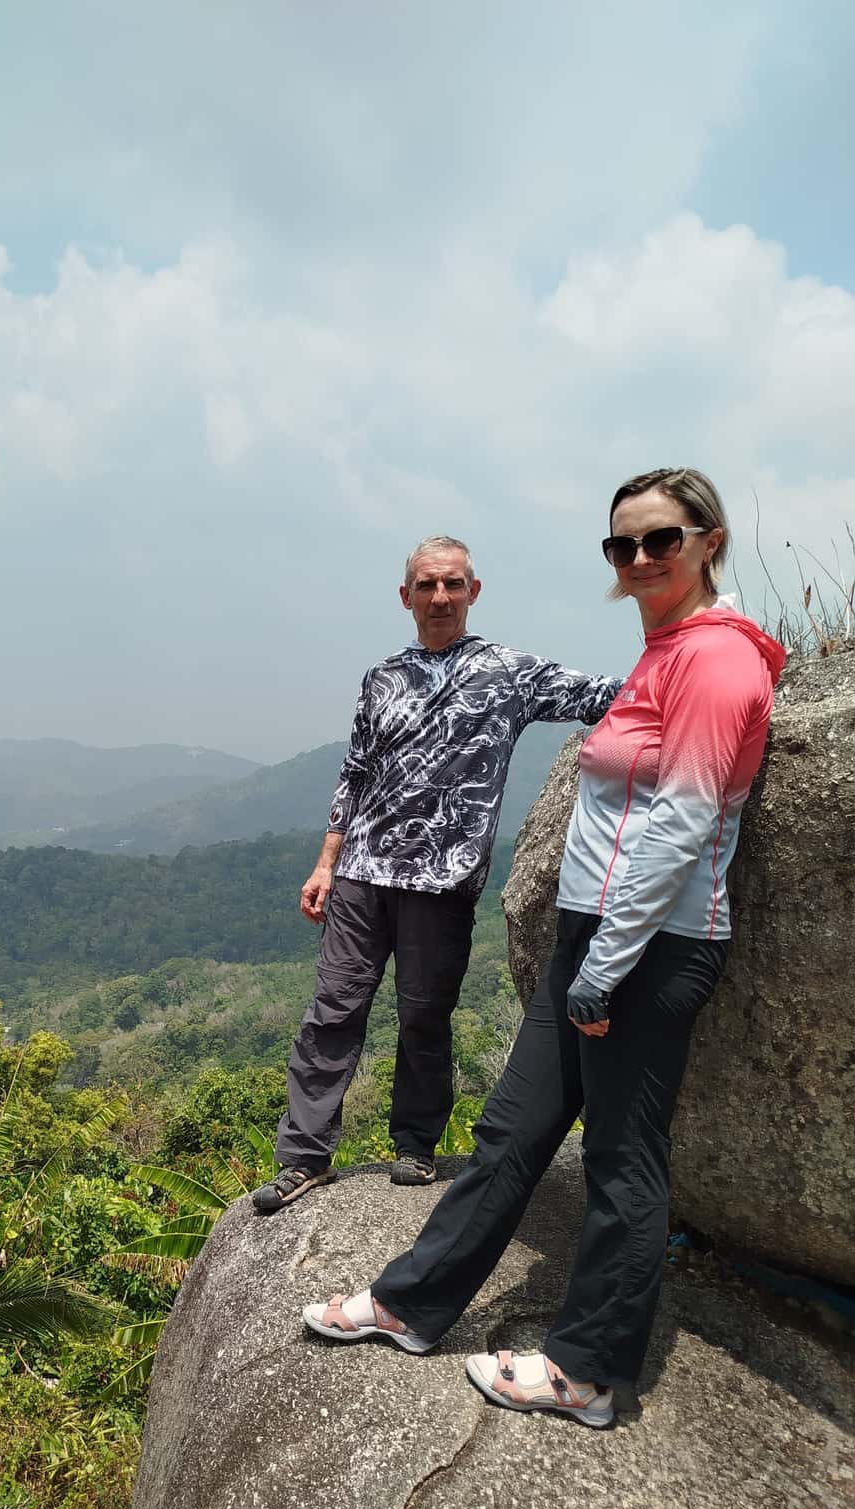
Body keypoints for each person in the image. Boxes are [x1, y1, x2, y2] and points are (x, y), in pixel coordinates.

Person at [302, 469, 786, 1429]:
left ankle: (589, 1370)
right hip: (591, 939)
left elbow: (684, 820)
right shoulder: (666, 650)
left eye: (662, 539)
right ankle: (413, 1302)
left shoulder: (719, 661)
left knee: (619, 1154)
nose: (641, 559)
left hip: (649, 946)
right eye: (623, 545)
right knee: (513, 1132)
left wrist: (605, 963)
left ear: (709, 540)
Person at [252, 535, 621, 1215]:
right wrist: (325, 861)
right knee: (333, 1012)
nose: (441, 596)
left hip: (443, 880)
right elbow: (355, 773)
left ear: (473, 591)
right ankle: (304, 1157)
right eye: (427, 585)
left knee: (425, 1016)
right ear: (406, 597)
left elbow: (604, 695)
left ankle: (416, 1142)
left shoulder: (507, 671)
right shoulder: (382, 676)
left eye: (453, 583)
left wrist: (702, 667)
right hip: (362, 872)